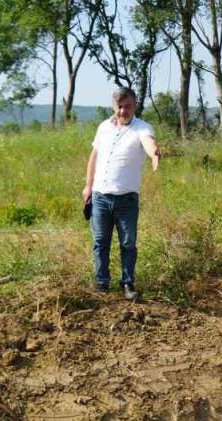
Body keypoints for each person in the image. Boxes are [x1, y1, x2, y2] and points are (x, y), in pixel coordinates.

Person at [81, 87, 160, 301]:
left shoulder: (142, 128)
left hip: (126, 199)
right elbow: (94, 158)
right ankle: (101, 283)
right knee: (100, 242)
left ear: (134, 106)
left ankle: (127, 284)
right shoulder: (103, 127)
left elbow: (148, 142)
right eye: (119, 107)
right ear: (114, 106)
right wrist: (88, 186)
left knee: (127, 243)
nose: (123, 111)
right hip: (100, 196)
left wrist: (154, 154)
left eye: (127, 107)